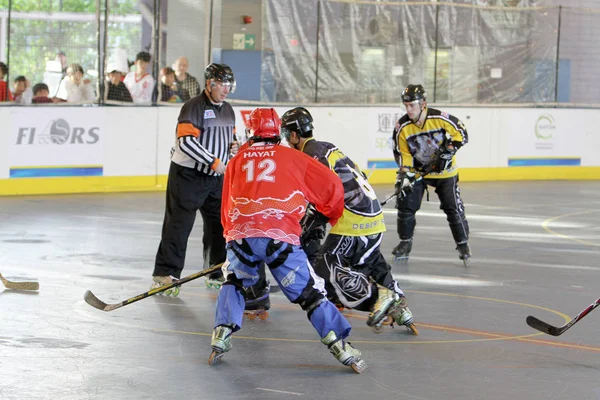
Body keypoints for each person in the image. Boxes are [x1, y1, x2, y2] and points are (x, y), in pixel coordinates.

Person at [209, 107, 366, 373]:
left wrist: (230, 239)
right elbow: (332, 186)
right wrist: (327, 216)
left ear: (251, 132)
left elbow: (227, 204)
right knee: (310, 294)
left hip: (241, 236)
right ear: (277, 133)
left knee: (234, 281)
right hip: (279, 238)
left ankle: (221, 334)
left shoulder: (237, 160)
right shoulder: (293, 157)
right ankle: (340, 345)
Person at [280, 107, 417, 334]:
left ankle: (378, 299)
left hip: (354, 222)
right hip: (372, 216)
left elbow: (325, 191)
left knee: (326, 268)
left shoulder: (308, 155)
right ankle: (400, 308)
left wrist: (313, 219)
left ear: (295, 135)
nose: (287, 140)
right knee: (372, 261)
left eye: (287, 135)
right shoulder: (328, 147)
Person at [150, 63, 239, 295]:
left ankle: (215, 270)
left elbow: (230, 138)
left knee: (219, 226)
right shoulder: (193, 107)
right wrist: (215, 162)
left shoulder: (228, 110)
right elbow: (186, 142)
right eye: (222, 84)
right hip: (187, 176)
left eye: (229, 85)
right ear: (210, 83)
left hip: (215, 179)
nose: (226, 89)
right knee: (178, 225)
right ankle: (165, 275)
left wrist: (233, 148)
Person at [391, 84, 471, 265]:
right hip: (419, 171)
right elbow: (402, 153)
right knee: (406, 204)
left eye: (412, 105)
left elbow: (462, 134)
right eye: (406, 106)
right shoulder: (402, 127)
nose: (409, 109)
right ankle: (405, 243)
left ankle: (463, 244)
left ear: (423, 104)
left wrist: (449, 151)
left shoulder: (439, 118)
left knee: (453, 208)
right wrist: (404, 176)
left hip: (445, 172)